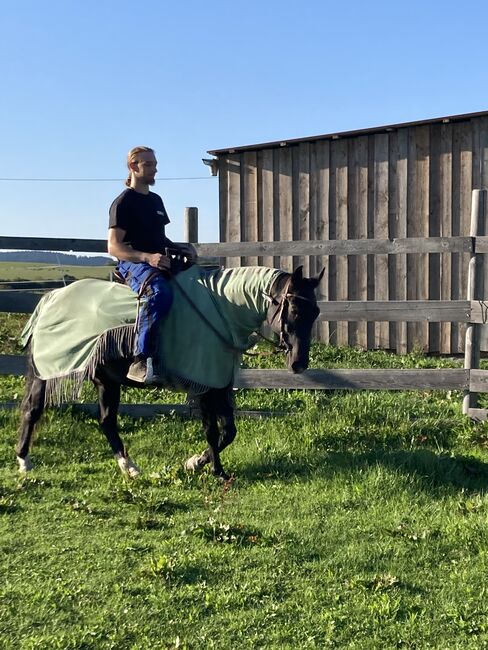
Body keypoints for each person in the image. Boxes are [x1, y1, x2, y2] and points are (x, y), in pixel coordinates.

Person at [108, 146, 197, 383]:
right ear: (133, 167)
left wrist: (181, 249)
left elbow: (159, 239)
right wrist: (147, 257)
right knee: (160, 293)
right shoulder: (123, 202)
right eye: (148, 165)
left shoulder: (156, 200)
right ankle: (141, 359)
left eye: (154, 164)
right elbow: (114, 247)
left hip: (158, 260)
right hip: (133, 263)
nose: (154, 169)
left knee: (196, 285)